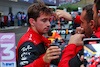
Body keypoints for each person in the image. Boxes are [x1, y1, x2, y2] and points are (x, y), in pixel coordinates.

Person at [16, 2, 61, 67]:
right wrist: (43, 60)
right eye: (44, 20)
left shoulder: (39, 38)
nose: (49, 24)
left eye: (49, 20)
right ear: (32, 22)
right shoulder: (28, 43)